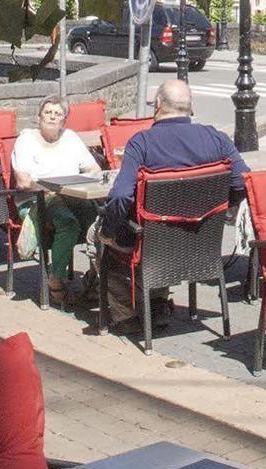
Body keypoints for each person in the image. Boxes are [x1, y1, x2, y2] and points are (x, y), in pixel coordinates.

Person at [100, 78, 248, 328]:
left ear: (157, 104)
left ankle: (125, 314)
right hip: (203, 240)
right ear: (191, 107)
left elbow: (120, 196)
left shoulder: (142, 142)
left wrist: (110, 228)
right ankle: (156, 305)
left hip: (152, 240)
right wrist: (217, 210)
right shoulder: (217, 139)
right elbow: (243, 183)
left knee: (102, 235)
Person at [11, 97, 103, 310]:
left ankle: (94, 275)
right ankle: (56, 280)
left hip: (72, 196)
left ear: (64, 120)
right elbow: (23, 182)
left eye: (58, 114)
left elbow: (94, 170)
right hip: (37, 199)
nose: (52, 116)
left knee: (100, 220)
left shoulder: (70, 138)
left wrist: (80, 184)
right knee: (68, 222)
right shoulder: (26, 140)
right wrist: (51, 188)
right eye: (48, 112)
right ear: (39, 117)